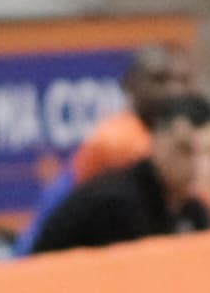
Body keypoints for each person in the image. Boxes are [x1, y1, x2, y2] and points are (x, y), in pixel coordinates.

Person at [31, 91, 210, 251]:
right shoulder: (117, 204)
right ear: (156, 142)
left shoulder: (194, 211)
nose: (197, 164)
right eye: (184, 150)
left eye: (208, 153)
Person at [68, 42, 200, 186]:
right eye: (158, 80)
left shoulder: (182, 129)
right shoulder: (113, 139)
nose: (170, 90)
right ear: (130, 83)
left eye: (174, 80)